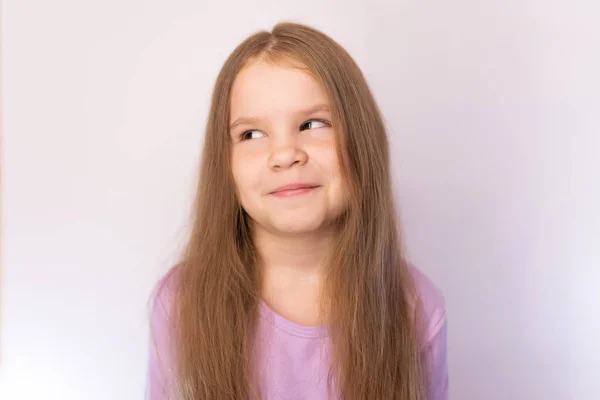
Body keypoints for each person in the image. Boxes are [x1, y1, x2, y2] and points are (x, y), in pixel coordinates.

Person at [146, 22, 448, 400]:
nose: (285, 154)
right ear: (225, 165)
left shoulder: (415, 308)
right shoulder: (181, 303)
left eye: (313, 124)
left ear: (362, 141)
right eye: (251, 134)